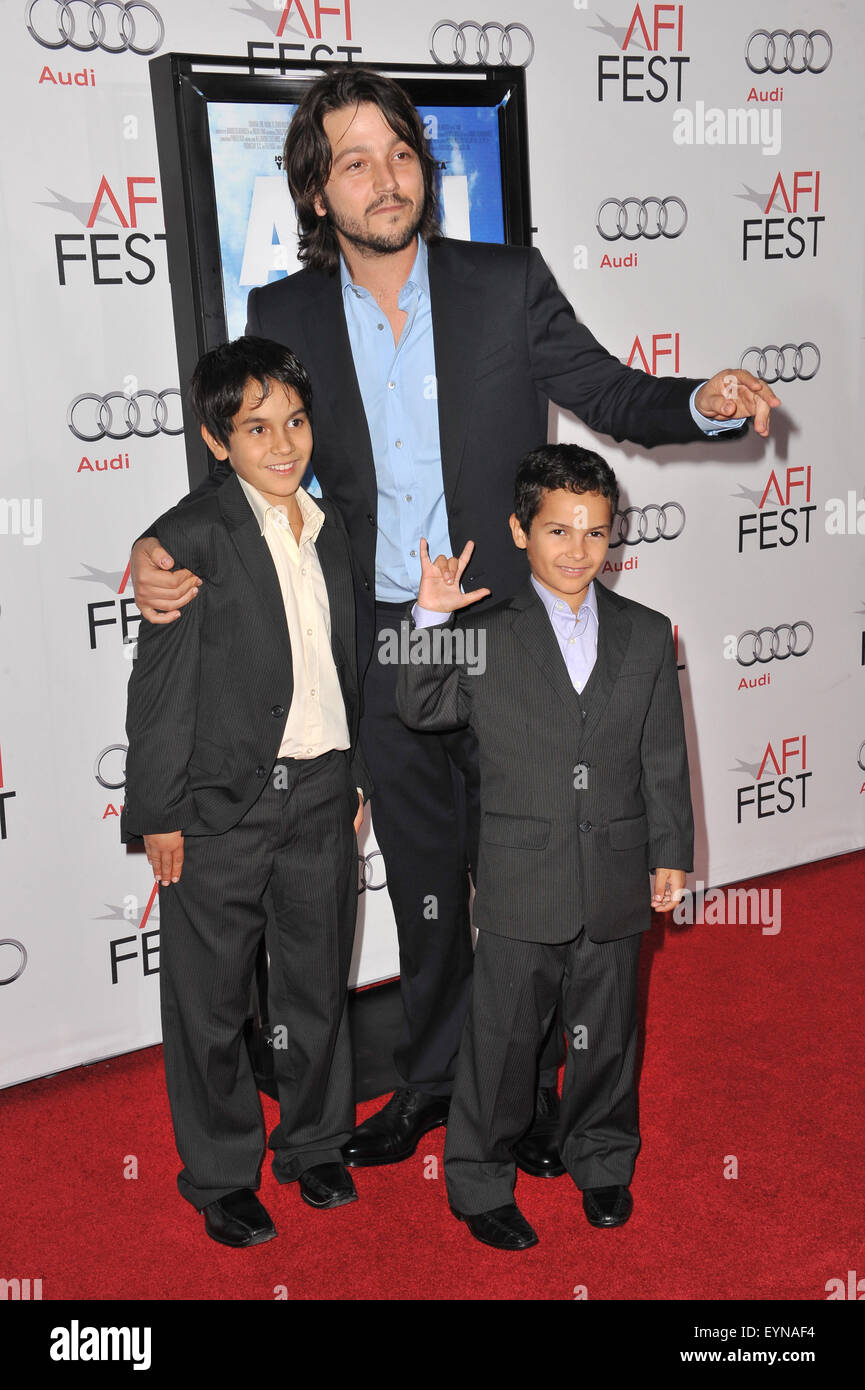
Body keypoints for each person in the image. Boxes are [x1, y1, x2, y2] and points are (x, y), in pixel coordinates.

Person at [129, 68, 777, 1177]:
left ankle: (523, 1100)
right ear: (318, 194)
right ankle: (434, 1083)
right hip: (384, 643)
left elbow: (612, 393)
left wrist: (700, 405)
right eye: (352, 161)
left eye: (398, 153)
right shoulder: (282, 316)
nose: (385, 179)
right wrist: (162, 548)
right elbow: (257, 463)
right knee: (427, 886)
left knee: (535, 885)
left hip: (514, 638)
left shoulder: (501, 281)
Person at [395, 444, 693, 1250]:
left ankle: (601, 1161)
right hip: (521, 873)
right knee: (502, 1036)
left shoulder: (645, 632)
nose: (577, 550)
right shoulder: (484, 631)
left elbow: (662, 755)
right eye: (558, 530)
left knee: (609, 1029)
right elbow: (420, 705)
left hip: (617, 870)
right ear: (520, 530)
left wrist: (670, 852)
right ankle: (478, 1181)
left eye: (595, 533)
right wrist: (428, 615)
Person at [122, 336, 371, 1246]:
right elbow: (159, 690)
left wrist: (355, 773)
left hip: (321, 792)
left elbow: (348, 663)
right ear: (215, 439)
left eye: (295, 421)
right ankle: (223, 1172)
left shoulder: (329, 522)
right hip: (218, 809)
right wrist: (158, 814)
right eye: (255, 427)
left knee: (312, 986)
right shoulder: (188, 536)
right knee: (212, 1002)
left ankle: (313, 1143)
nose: (281, 443)